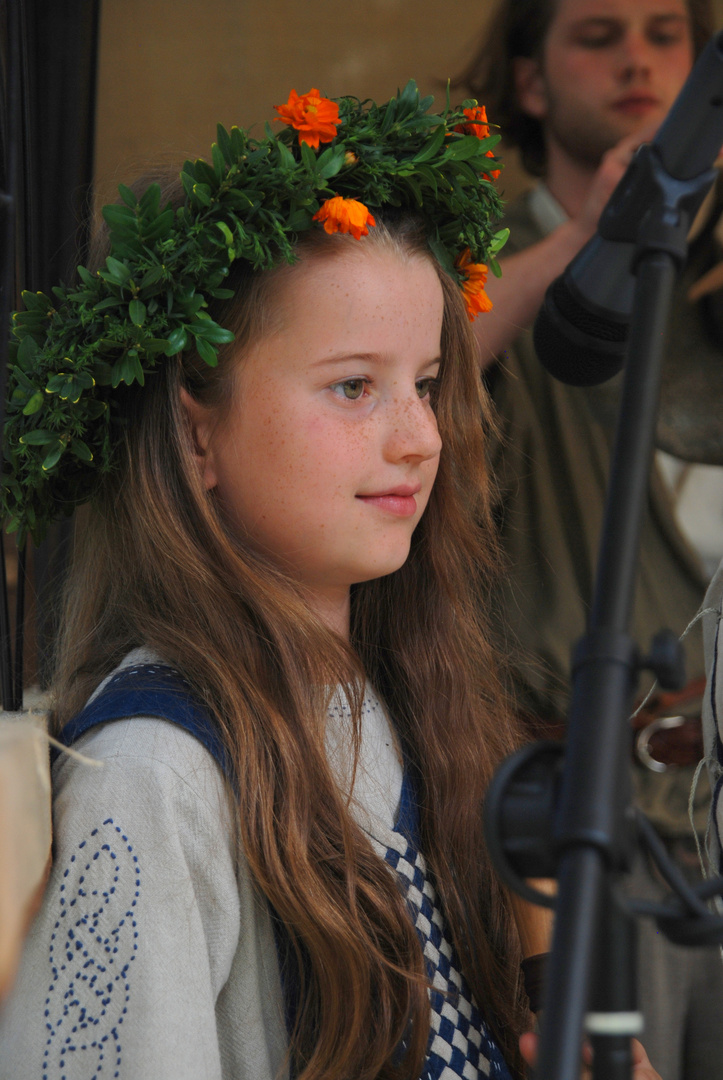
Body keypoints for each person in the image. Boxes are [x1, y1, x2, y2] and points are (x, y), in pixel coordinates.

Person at [0, 81, 663, 1080]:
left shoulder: (409, 701)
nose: (419, 438)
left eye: (428, 385)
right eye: (354, 387)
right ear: (195, 426)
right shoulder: (156, 776)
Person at [457, 2, 723, 1078]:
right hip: (590, 822)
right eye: (598, 33)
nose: (639, 60)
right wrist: (591, 239)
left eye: (667, 34)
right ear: (529, 82)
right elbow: (423, 366)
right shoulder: (481, 261)